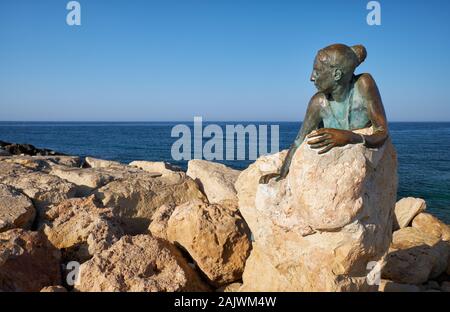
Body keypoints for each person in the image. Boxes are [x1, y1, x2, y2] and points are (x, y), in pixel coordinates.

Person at [260, 43, 389, 184]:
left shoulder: (364, 84)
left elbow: (382, 132)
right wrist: (282, 173)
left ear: (336, 74)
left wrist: (351, 137)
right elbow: (299, 140)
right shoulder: (318, 103)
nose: (312, 77)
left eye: (317, 71)